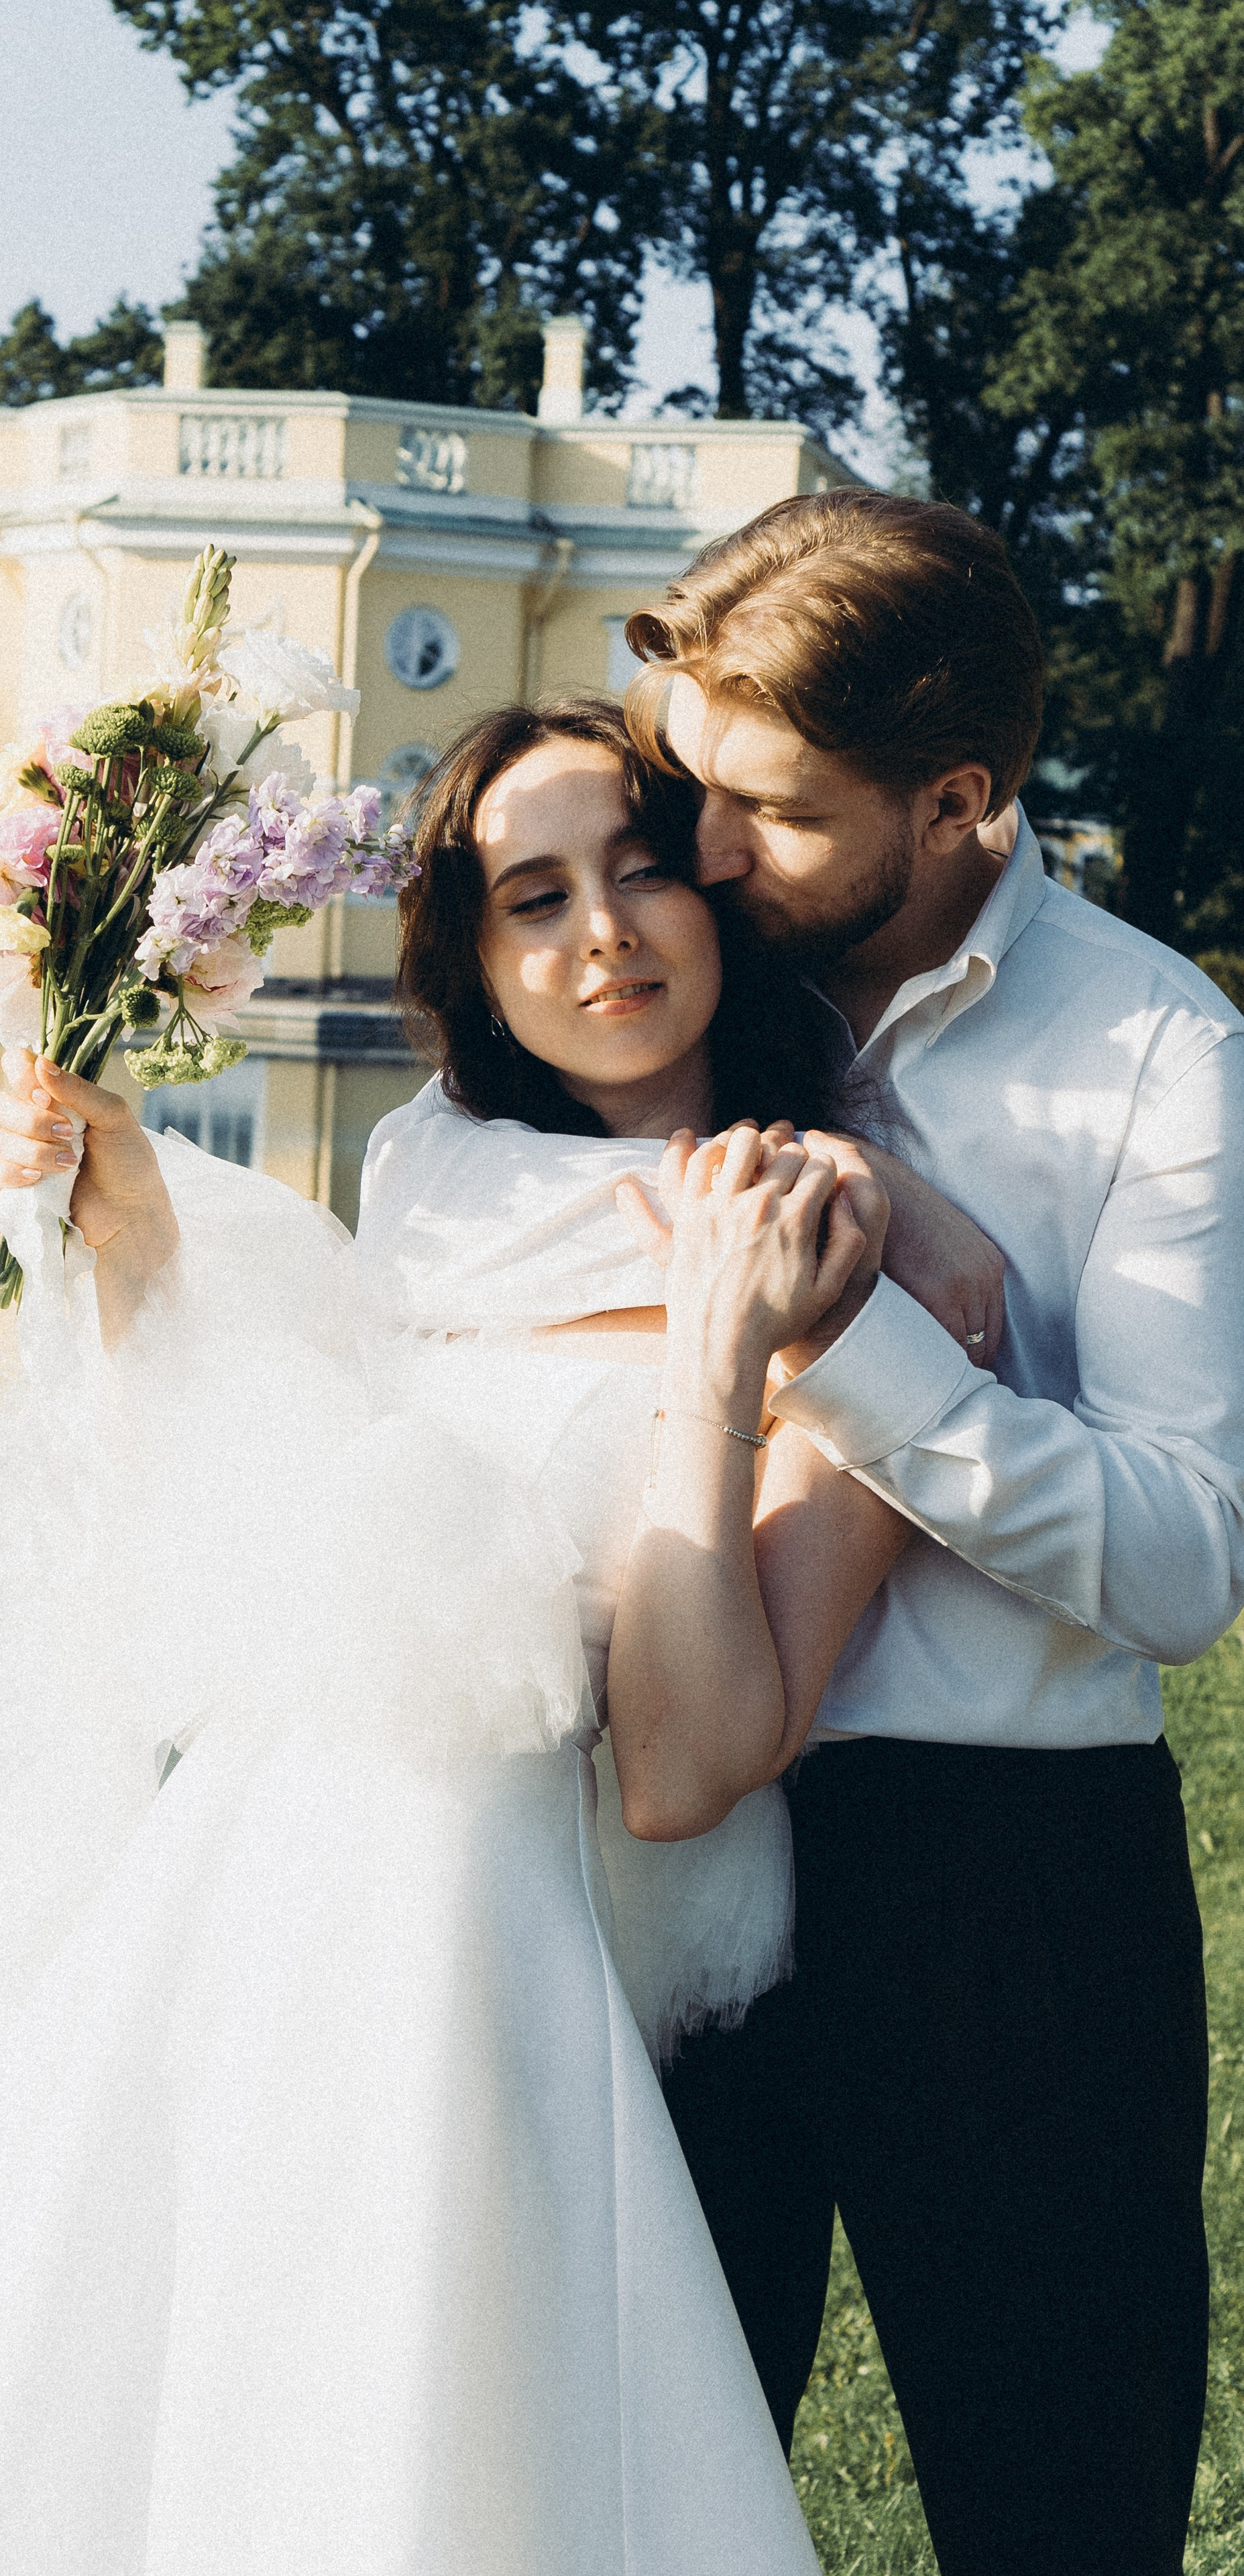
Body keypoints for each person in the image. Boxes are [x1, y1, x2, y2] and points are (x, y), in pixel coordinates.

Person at [0, 700, 982, 2575]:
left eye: (641, 869)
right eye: (531, 898)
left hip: (508, 1941)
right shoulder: (433, 1189)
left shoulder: (838, 1228)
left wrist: (720, 1357)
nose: (604, 937)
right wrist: (127, 1231)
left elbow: (693, 1760)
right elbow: (264, 1535)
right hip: (258, 1898)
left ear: (720, 891)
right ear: (473, 964)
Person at [624, 489, 1244, 2576]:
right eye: (690, 786)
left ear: (961, 799)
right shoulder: (667, 986)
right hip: (664, 1869)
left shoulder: (1164, 1047)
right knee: (621, 2511)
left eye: (772, 814)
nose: (698, 857)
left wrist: (866, 1351)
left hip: (1016, 1897)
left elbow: (1183, 1566)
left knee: (1058, 2521)